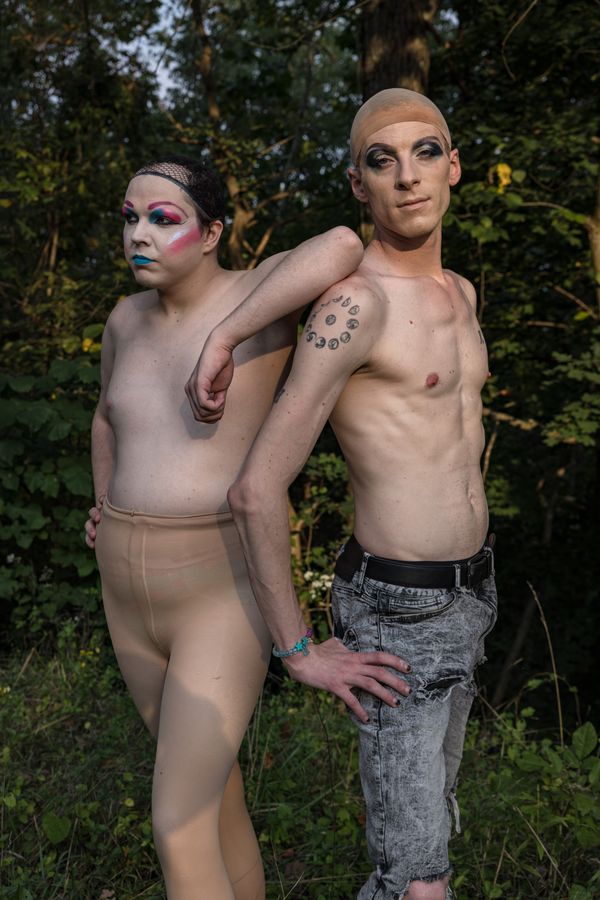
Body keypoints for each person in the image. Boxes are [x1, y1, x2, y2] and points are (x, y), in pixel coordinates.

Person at [186, 91, 498, 900]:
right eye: (381, 161)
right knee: (419, 883)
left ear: (455, 167)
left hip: (473, 595)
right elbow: (256, 489)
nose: (409, 178)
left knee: (419, 856)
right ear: (358, 185)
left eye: (427, 153)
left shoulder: (463, 294)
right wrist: (299, 653)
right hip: (397, 613)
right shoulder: (356, 304)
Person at [84, 154, 412, 900]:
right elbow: (105, 418)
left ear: (211, 234)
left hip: (216, 587)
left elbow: (341, 243)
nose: (139, 234)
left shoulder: (254, 298)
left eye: (163, 220)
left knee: (176, 823)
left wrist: (224, 338)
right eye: (130, 218)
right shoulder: (124, 321)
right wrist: (103, 501)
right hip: (126, 592)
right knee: (214, 801)